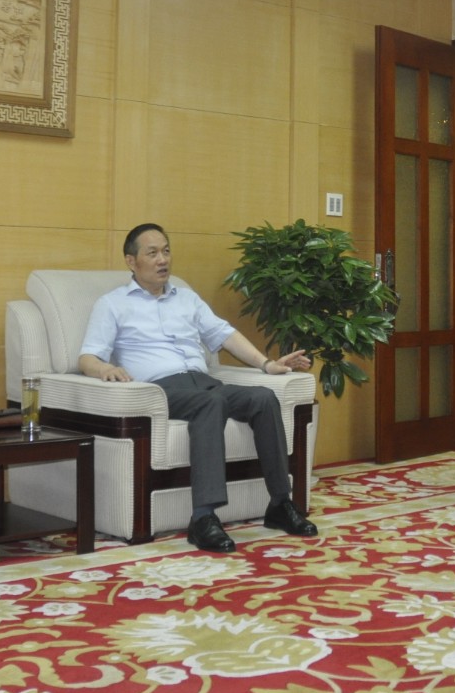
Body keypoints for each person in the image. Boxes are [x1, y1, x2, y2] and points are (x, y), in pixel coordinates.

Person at [78, 223, 318, 553]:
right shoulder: (112, 304)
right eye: (152, 253)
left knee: (264, 397)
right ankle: (203, 518)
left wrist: (267, 364)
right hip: (161, 391)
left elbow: (225, 335)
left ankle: (280, 503)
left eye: (166, 251)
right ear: (131, 261)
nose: (162, 259)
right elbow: (87, 357)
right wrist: (105, 369)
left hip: (205, 383)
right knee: (210, 404)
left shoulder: (187, 298)